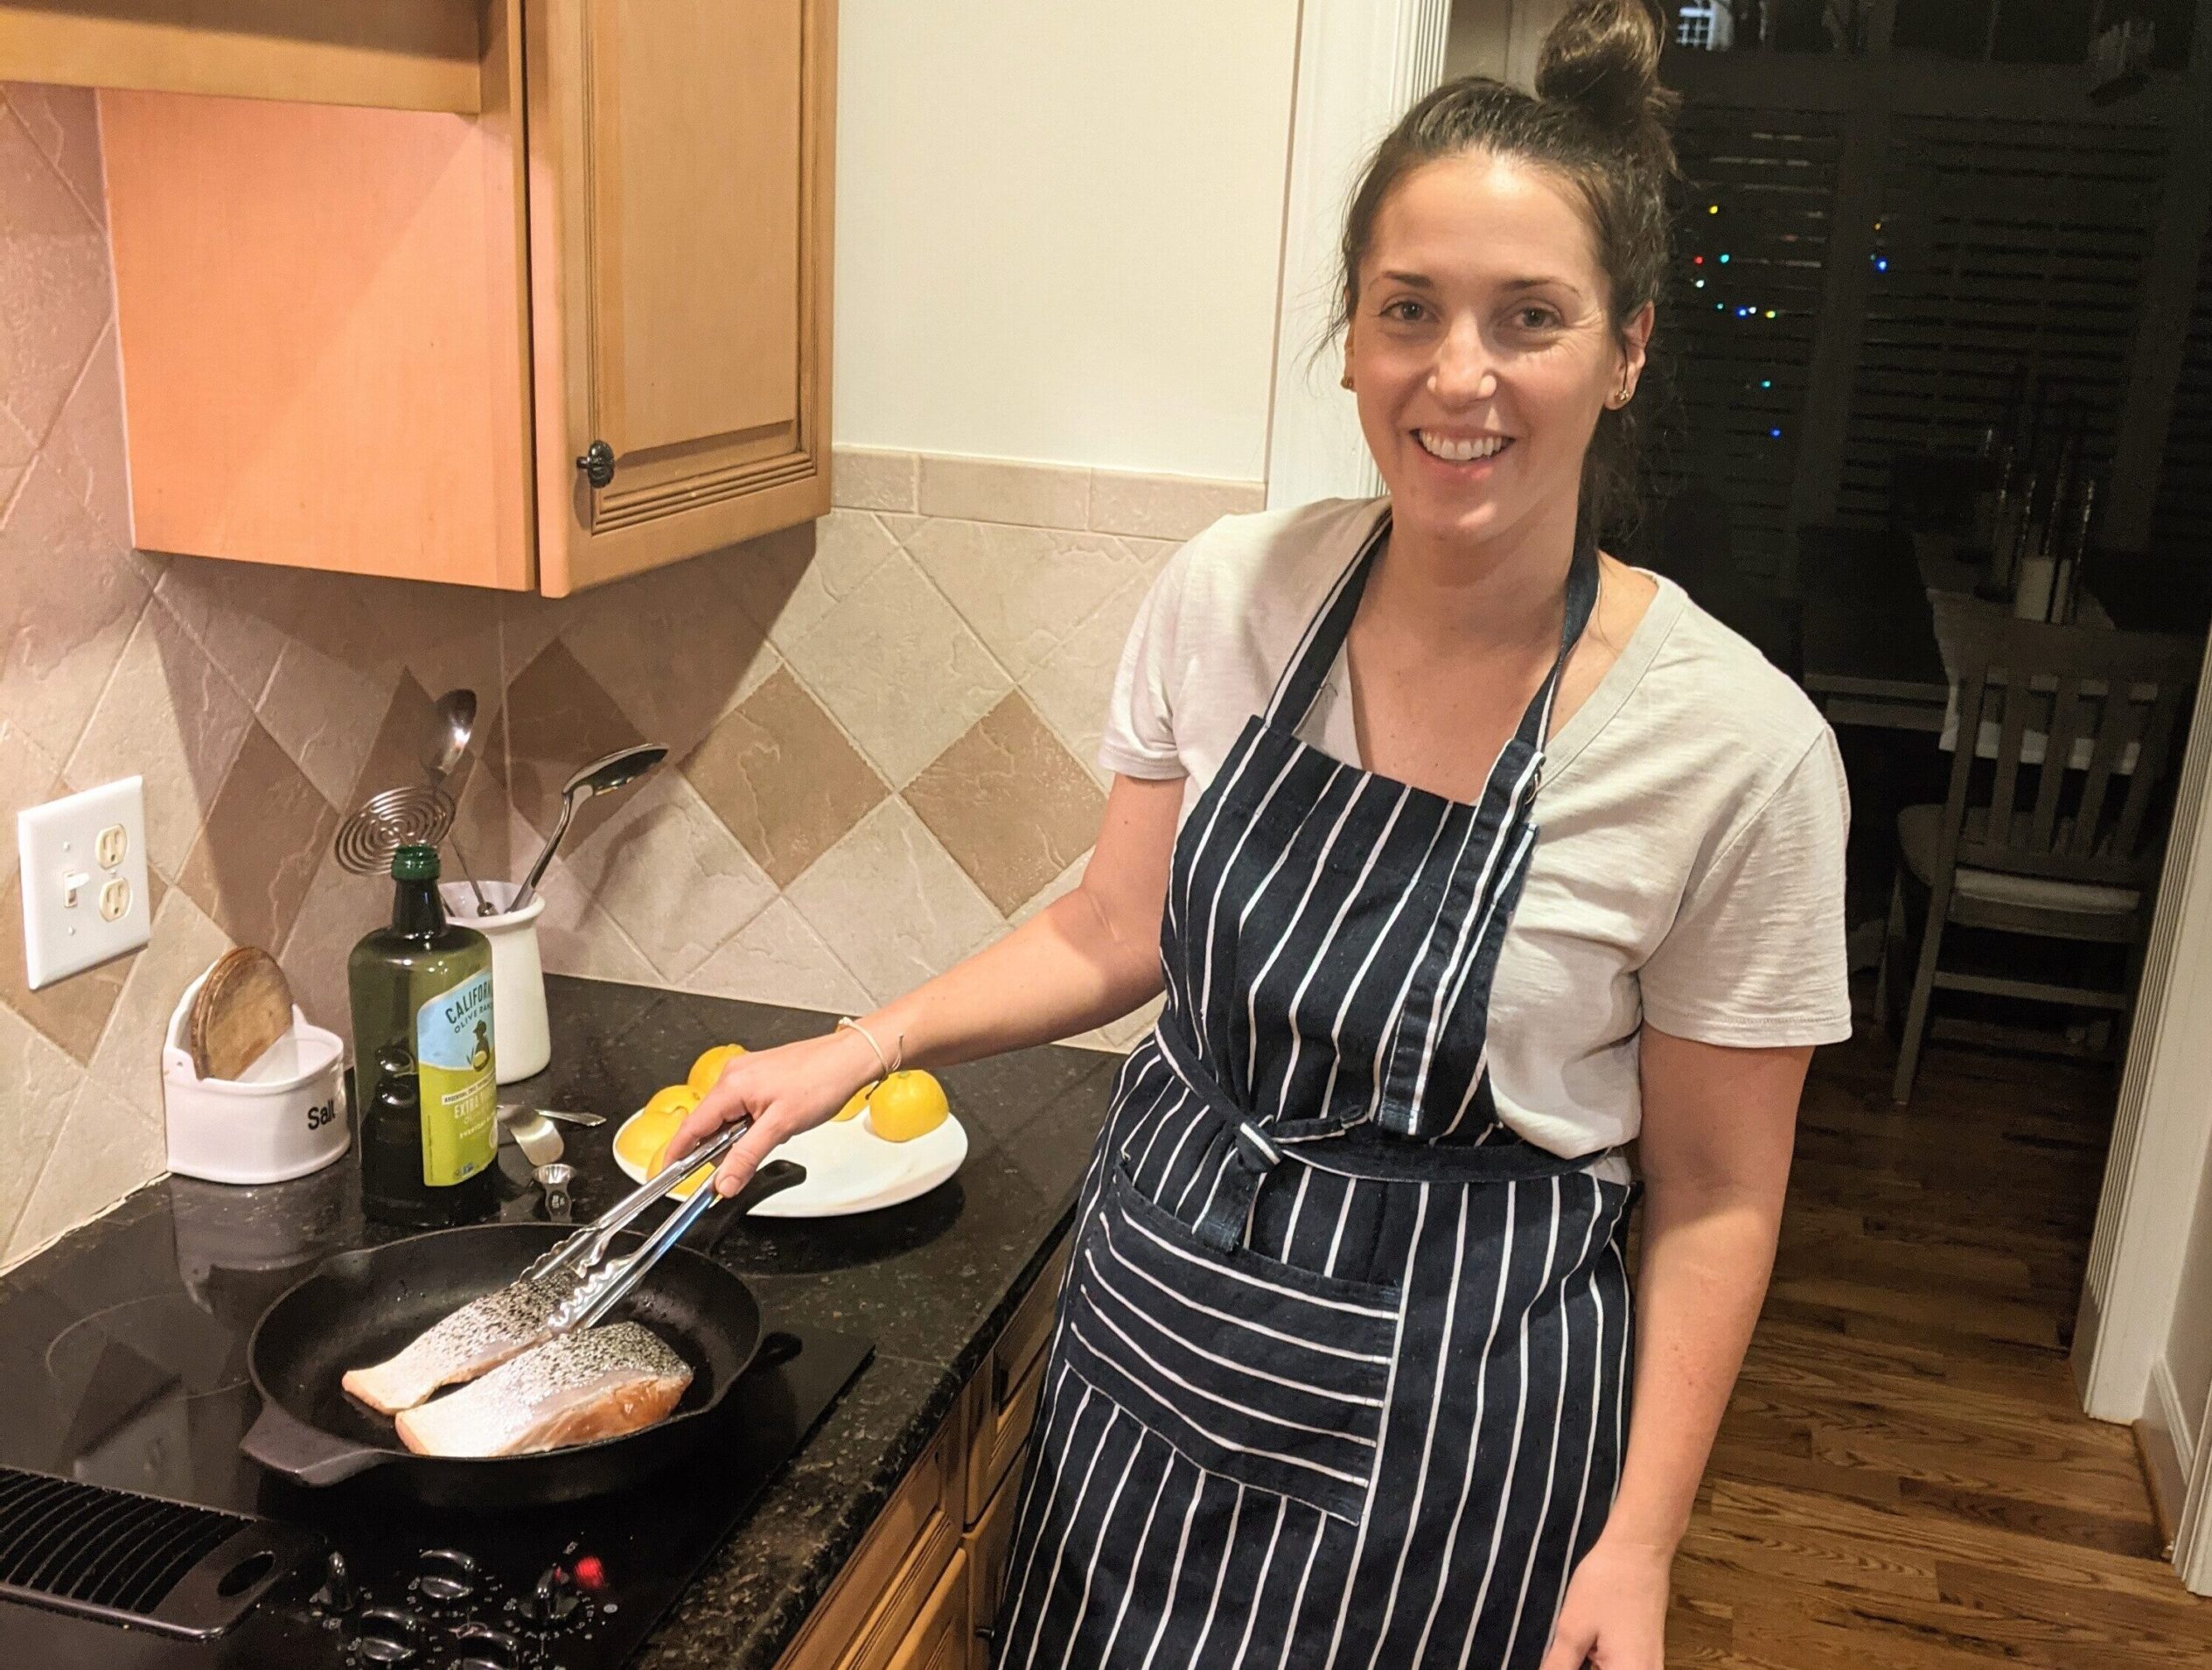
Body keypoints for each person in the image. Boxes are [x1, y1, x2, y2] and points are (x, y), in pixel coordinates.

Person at [669, 1, 1851, 1662]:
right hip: (1145, 1371)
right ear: (1352, 336)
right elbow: (1113, 922)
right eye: (1408, 311)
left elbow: (1720, 1191)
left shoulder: (1733, 751)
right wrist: (855, 1048)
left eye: (1530, 318)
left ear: (1628, 347)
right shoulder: (1231, 596)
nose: (1461, 375)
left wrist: (1643, 1540)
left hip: (1456, 1449)